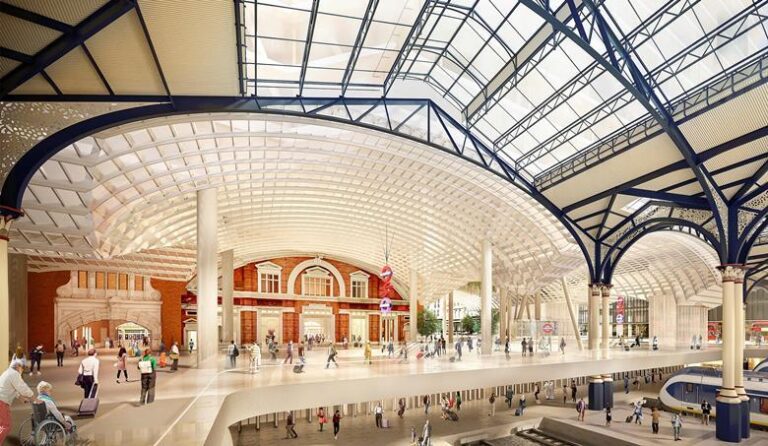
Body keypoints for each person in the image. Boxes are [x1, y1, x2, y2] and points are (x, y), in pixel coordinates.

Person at [0, 359, 34, 443]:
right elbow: (22, 387)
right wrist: (34, 398)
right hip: (2, 402)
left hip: (3, 401)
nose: (22, 370)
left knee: (3, 424)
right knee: (6, 425)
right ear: (18, 366)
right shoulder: (14, 374)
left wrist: (21, 398)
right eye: (22, 368)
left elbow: (13, 388)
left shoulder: (8, 372)